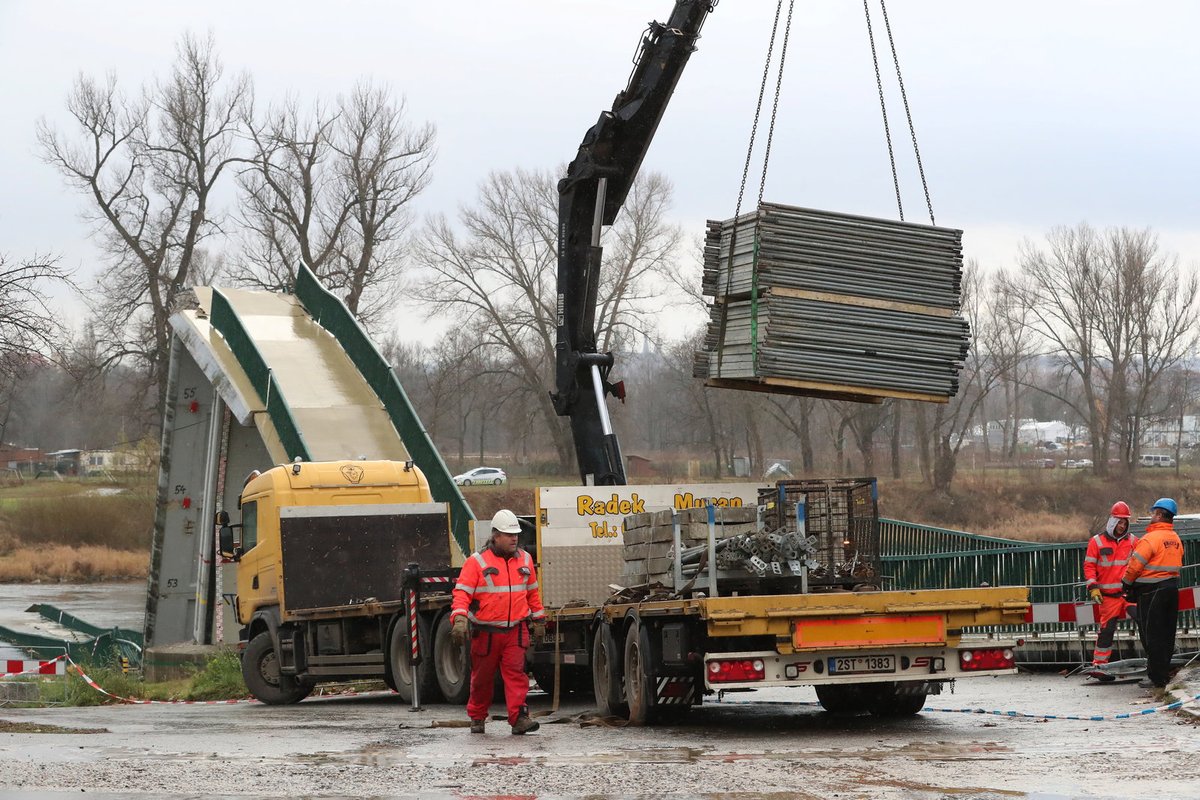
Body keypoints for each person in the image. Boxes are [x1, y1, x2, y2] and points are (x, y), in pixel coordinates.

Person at [450, 509, 546, 734]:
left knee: (516, 676)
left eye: (516, 534)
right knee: (482, 679)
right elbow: (462, 594)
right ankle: (477, 716)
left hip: (515, 630)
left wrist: (539, 619)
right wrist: (459, 618)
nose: (514, 538)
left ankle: (520, 718)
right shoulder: (477, 562)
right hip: (486, 633)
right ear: (495, 535)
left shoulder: (525, 559)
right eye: (508, 534)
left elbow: (532, 592)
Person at [1123, 498, 1184, 689]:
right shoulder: (1175, 538)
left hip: (1151, 592)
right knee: (1167, 634)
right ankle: (1162, 674)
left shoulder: (1150, 539)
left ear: (1158, 514)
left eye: (1153, 513)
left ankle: (1156, 677)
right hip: (1171, 589)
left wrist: (1126, 584)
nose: (1151, 516)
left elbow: (1135, 566)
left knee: (1152, 635)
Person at [1083, 501, 1138, 668]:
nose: (1122, 526)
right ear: (1113, 521)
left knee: (1144, 622)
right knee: (1106, 631)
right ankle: (1099, 664)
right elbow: (1089, 566)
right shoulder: (1096, 542)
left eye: (1125, 522)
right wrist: (1093, 587)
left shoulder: (1134, 541)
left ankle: (1156, 659)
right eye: (1119, 522)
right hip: (1108, 597)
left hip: (1129, 594)